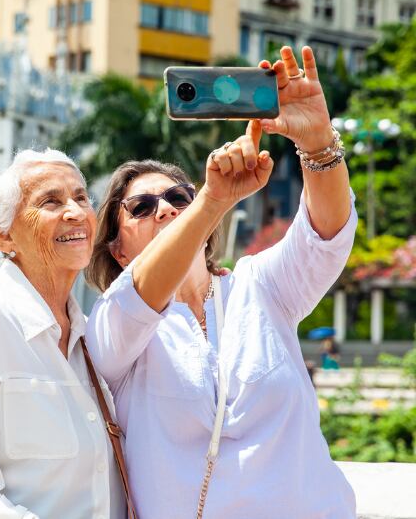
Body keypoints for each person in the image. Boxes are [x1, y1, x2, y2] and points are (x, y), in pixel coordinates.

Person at [85, 46, 356, 518]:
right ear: (117, 249)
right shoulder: (113, 328)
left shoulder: (260, 287)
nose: (166, 209)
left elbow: (325, 236)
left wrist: (317, 144)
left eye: (176, 197)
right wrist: (210, 200)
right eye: (142, 207)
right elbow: (139, 298)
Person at [0, 149, 127, 518]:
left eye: (81, 197)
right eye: (51, 201)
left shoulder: (93, 334)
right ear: (3, 237)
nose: (75, 212)